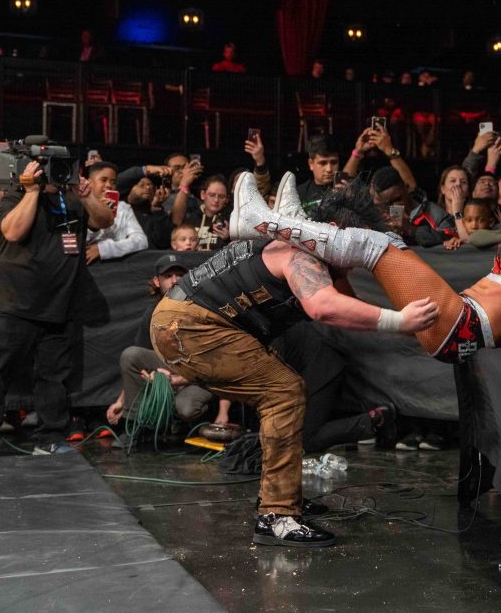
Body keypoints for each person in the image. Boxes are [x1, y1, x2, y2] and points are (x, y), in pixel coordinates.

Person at [229, 60, 501, 364]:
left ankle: (262, 222)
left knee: (375, 245)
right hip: (460, 323)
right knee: (384, 242)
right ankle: (292, 225)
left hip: (462, 324)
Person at [149, 198, 437, 549]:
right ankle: (277, 516)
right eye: (357, 243)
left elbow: (348, 306)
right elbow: (324, 307)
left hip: (183, 320)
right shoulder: (303, 253)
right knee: (283, 394)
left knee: (282, 393)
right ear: (335, 233)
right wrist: (400, 321)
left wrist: (415, 328)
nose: (358, 256)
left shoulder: (306, 251)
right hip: (189, 327)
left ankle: (283, 498)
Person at [0, 149, 114, 459]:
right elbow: (12, 231)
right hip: (13, 301)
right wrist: (32, 191)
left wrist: (87, 195)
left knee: (53, 377)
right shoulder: (15, 195)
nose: (51, 173)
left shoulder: (72, 198)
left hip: (59, 304)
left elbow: (105, 221)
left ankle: (50, 438)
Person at [107, 254, 215, 448]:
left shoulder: (201, 308)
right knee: (131, 354)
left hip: (199, 376)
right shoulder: (153, 312)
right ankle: (135, 426)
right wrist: (121, 402)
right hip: (171, 367)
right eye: (168, 276)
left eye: (180, 275)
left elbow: (214, 365)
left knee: (186, 407)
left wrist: (176, 380)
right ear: (157, 282)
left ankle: (197, 425)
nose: (175, 280)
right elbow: (137, 357)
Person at [85, 161, 149, 263]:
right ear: (90, 183)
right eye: (103, 180)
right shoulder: (80, 205)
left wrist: (104, 249)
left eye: (113, 182)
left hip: (118, 266)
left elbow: (141, 241)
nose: (109, 185)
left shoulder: (123, 208)